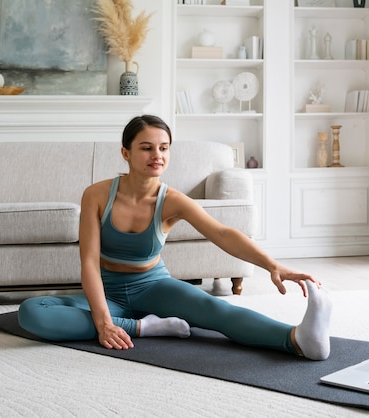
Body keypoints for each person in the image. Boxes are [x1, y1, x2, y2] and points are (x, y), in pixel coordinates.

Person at [18, 115, 332, 360]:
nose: (157, 155)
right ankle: (146, 327)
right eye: (146, 147)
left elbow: (222, 233)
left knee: (216, 310)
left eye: (164, 147)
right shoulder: (97, 195)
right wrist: (103, 322)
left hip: (154, 288)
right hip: (108, 291)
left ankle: (297, 340)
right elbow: (88, 261)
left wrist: (273, 265)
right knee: (32, 313)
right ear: (125, 152)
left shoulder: (172, 200)